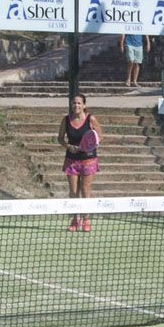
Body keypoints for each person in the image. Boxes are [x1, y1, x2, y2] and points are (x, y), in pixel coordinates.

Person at [58, 91, 102, 232]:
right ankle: (75, 220)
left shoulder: (91, 119)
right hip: (71, 160)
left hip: (88, 160)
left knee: (85, 190)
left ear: (84, 105)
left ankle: (86, 219)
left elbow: (100, 137)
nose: (76, 105)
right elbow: (60, 139)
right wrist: (68, 146)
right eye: (74, 103)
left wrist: (89, 146)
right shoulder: (66, 120)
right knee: (73, 191)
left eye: (79, 103)